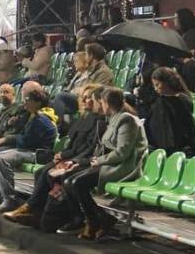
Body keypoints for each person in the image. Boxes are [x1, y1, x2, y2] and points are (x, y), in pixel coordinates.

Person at [6, 85, 105, 230]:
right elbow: (71, 144)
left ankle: (67, 215)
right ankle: (36, 212)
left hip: (84, 161)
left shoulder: (99, 122)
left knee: (53, 174)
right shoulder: (82, 119)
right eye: (83, 97)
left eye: (89, 97)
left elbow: (91, 149)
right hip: (73, 158)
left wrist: (73, 160)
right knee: (42, 172)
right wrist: (62, 155)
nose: (85, 100)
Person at [59, 87, 145, 239]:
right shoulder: (113, 119)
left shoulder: (126, 120)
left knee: (78, 183)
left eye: (101, 102)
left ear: (106, 103)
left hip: (124, 166)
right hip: (110, 163)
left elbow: (122, 152)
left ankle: (94, 221)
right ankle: (97, 218)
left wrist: (98, 161)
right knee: (69, 180)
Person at [0, 89, 58, 213]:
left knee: (1, 159)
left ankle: (9, 198)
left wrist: (12, 139)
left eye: (27, 100)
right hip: (26, 149)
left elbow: (25, 141)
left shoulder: (41, 119)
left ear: (37, 102)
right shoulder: (34, 117)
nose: (24, 103)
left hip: (36, 153)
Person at [143, 67, 195, 154]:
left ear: (167, 82)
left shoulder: (181, 99)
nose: (155, 89)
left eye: (157, 84)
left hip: (177, 143)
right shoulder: (162, 100)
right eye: (154, 86)